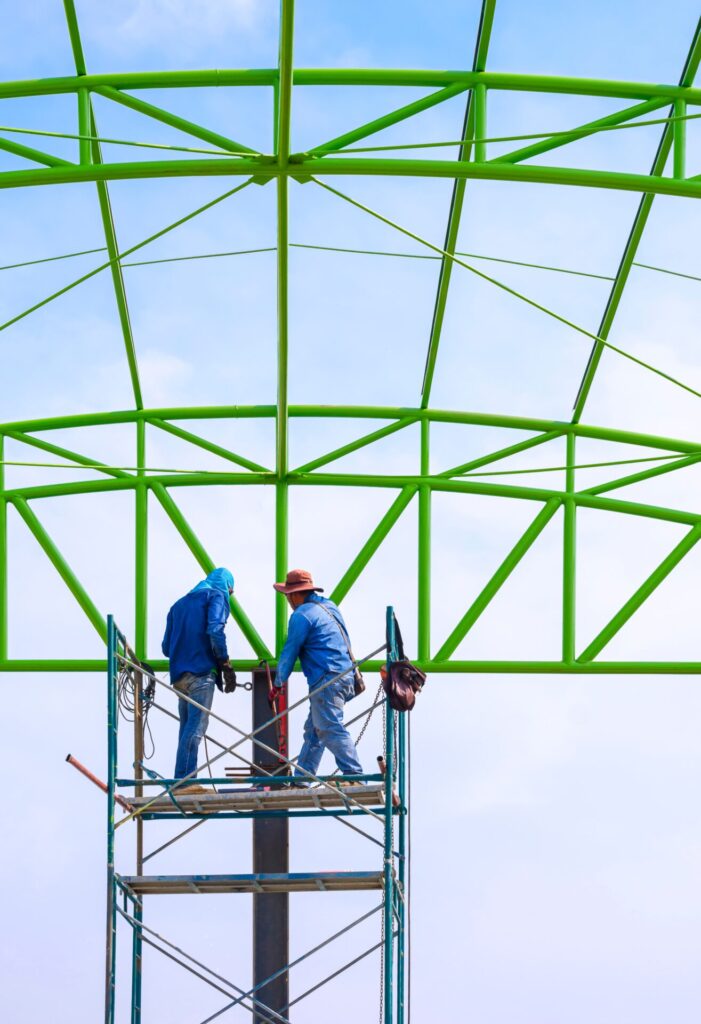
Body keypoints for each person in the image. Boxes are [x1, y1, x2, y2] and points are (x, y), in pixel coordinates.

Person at [273, 568, 363, 785]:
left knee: (329, 726)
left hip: (326, 678)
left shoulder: (301, 615)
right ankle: (302, 778)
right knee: (315, 729)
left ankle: (354, 775)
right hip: (344, 675)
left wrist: (277, 683)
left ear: (295, 594)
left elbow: (290, 650)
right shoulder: (330, 607)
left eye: (287, 596)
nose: (288, 600)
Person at [162, 567, 237, 793]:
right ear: (227, 586)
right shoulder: (216, 596)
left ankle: (181, 778)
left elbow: (166, 648)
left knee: (186, 728)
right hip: (201, 673)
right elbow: (215, 629)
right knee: (196, 728)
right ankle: (184, 782)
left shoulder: (177, 606)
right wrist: (224, 663)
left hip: (179, 677)